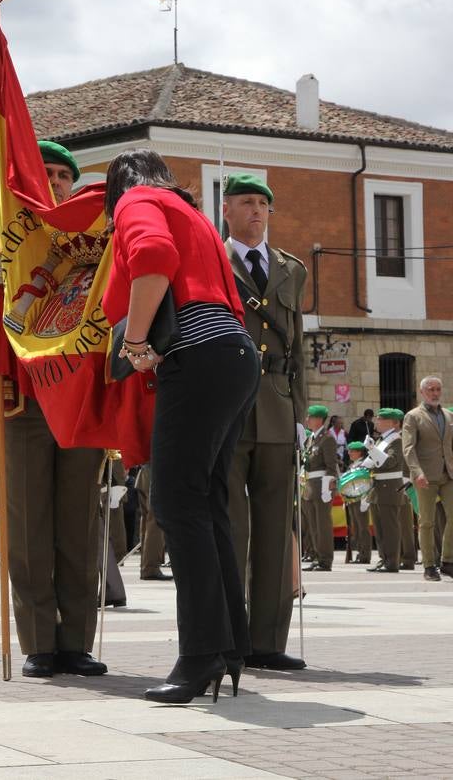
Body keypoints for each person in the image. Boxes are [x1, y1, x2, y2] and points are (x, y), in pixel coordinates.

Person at [102, 149, 260, 704]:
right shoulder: (192, 213)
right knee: (207, 501)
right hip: (235, 354)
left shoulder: (137, 200)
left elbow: (151, 255)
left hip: (196, 357)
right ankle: (229, 647)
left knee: (175, 503)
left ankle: (199, 656)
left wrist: (137, 339)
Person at [0, 140, 106, 678]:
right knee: (29, 524)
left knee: (78, 525)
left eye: (65, 176)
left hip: (79, 397)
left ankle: (77, 643)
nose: (57, 183)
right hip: (22, 397)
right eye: (48, 175)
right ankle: (39, 643)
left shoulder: (94, 238)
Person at [222, 172, 307, 671]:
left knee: (277, 527)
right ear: (226, 210)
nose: (256, 211)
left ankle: (268, 641)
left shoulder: (290, 269)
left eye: (263, 203)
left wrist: (299, 410)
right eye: (246, 202)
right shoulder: (210, 258)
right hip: (228, 404)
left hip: (276, 403)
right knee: (230, 527)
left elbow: (297, 348)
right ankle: (229, 635)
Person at [403, 377, 453, 581]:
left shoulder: (448, 416)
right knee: (427, 522)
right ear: (422, 392)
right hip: (425, 476)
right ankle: (429, 565)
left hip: (448, 473)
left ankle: (448, 561)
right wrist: (417, 472)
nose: (435, 393)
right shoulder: (413, 416)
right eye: (430, 389)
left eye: (438, 389)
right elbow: (408, 448)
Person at [361, 409, 405, 574]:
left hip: (390, 488)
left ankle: (392, 562)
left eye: (381, 419)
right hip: (378, 487)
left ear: (394, 423)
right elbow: (372, 462)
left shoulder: (397, 440)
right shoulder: (381, 440)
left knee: (390, 527)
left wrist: (372, 449)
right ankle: (383, 558)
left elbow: (390, 463)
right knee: (379, 528)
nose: (377, 421)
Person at [302, 405, 338, 572]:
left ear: (319, 419)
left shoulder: (327, 438)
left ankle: (325, 560)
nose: (307, 419)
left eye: (310, 416)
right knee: (313, 525)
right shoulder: (311, 439)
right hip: (309, 486)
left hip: (321, 485)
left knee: (322, 525)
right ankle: (317, 556)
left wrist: (327, 487)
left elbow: (331, 466)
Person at [136, 463, 171, 581]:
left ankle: (147, 566)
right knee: (156, 522)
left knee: (147, 521)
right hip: (155, 472)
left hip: (145, 472)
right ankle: (150, 568)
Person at [345, 442, 372, 564]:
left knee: (363, 528)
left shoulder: (363, 465)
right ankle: (360, 552)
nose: (349, 453)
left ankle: (365, 555)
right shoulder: (352, 465)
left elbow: (367, 483)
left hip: (360, 499)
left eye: (352, 451)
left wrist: (365, 499)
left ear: (359, 452)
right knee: (356, 528)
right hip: (352, 500)